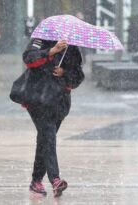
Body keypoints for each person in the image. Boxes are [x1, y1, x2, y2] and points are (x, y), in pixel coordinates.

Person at [22, 38, 84, 197]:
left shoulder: (72, 48)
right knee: (48, 135)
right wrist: (52, 51)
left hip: (59, 102)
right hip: (38, 98)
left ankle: (36, 181)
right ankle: (55, 179)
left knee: (45, 139)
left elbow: (78, 76)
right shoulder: (39, 40)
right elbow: (28, 59)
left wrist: (65, 73)